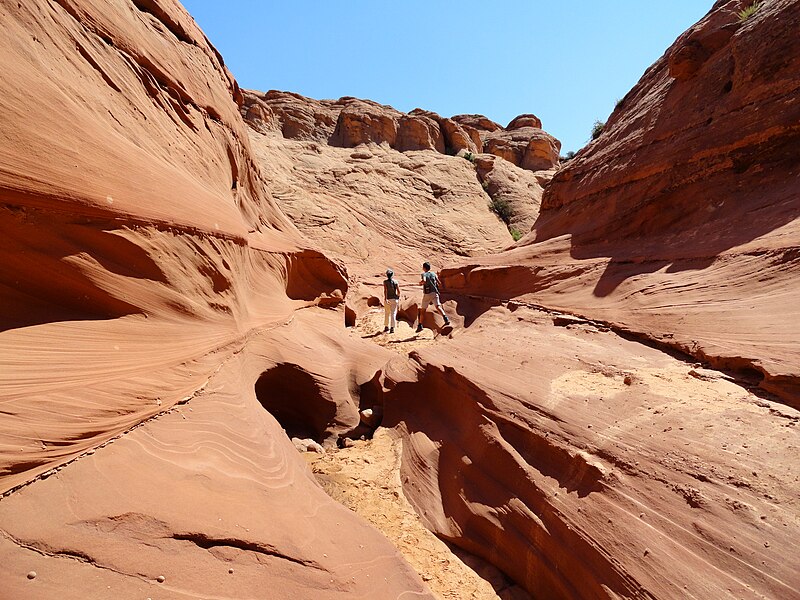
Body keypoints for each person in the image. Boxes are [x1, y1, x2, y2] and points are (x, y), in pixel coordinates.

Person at [416, 261, 449, 333]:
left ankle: (420, 325)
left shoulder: (424, 274)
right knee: (438, 306)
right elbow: (439, 282)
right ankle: (446, 318)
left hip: (427, 294)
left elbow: (424, 281)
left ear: (424, 268)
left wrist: (420, 283)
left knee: (423, 310)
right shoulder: (434, 274)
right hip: (435, 293)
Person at [383, 269, 400, 333]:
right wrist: (398, 297)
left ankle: (386, 327)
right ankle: (392, 328)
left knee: (387, 313)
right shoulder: (395, 282)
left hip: (388, 299)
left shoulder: (385, 282)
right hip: (394, 299)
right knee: (393, 313)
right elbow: (398, 291)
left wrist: (385, 298)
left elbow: (385, 291)